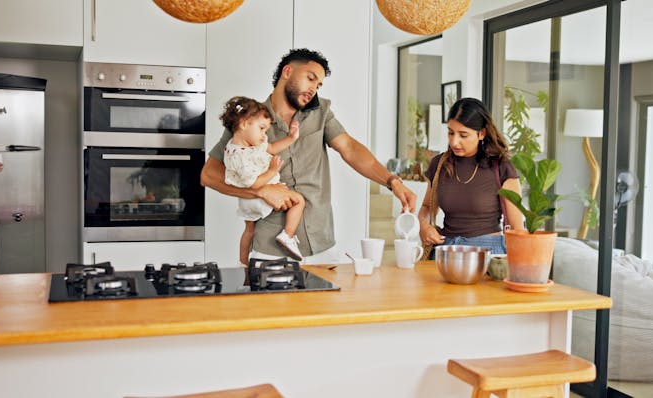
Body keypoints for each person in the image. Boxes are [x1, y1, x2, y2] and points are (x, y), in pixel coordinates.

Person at [201, 48, 417, 263]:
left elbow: (349, 148)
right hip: (269, 249)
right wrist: (262, 191)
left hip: (321, 246)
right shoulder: (247, 120)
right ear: (287, 72)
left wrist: (393, 181)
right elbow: (209, 175)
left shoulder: (321, 112)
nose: (314, 88)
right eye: (310, 78)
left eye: (319, 84)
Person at [418, 97, 525, 255]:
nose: (454, 142)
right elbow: (427, 207)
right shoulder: (439, 164)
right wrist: (423, 227)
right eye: (450, 133)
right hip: (445, 251)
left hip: (488, 253)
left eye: (463, 135)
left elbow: (517, 228)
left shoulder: (501, 167)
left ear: (481, 133)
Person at [220, 96, 305, 264]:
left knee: (248, 231)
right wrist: (273, 170)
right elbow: (255, 184)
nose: (263, 134)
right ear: (244, 124)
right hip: (259, 198)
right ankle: (287, 235)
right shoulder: (240, 157)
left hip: (245, 202)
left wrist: (291, 138)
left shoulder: (237, 147)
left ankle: (243, 264)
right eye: (261, 128)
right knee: (299, 201)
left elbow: (271, 148)